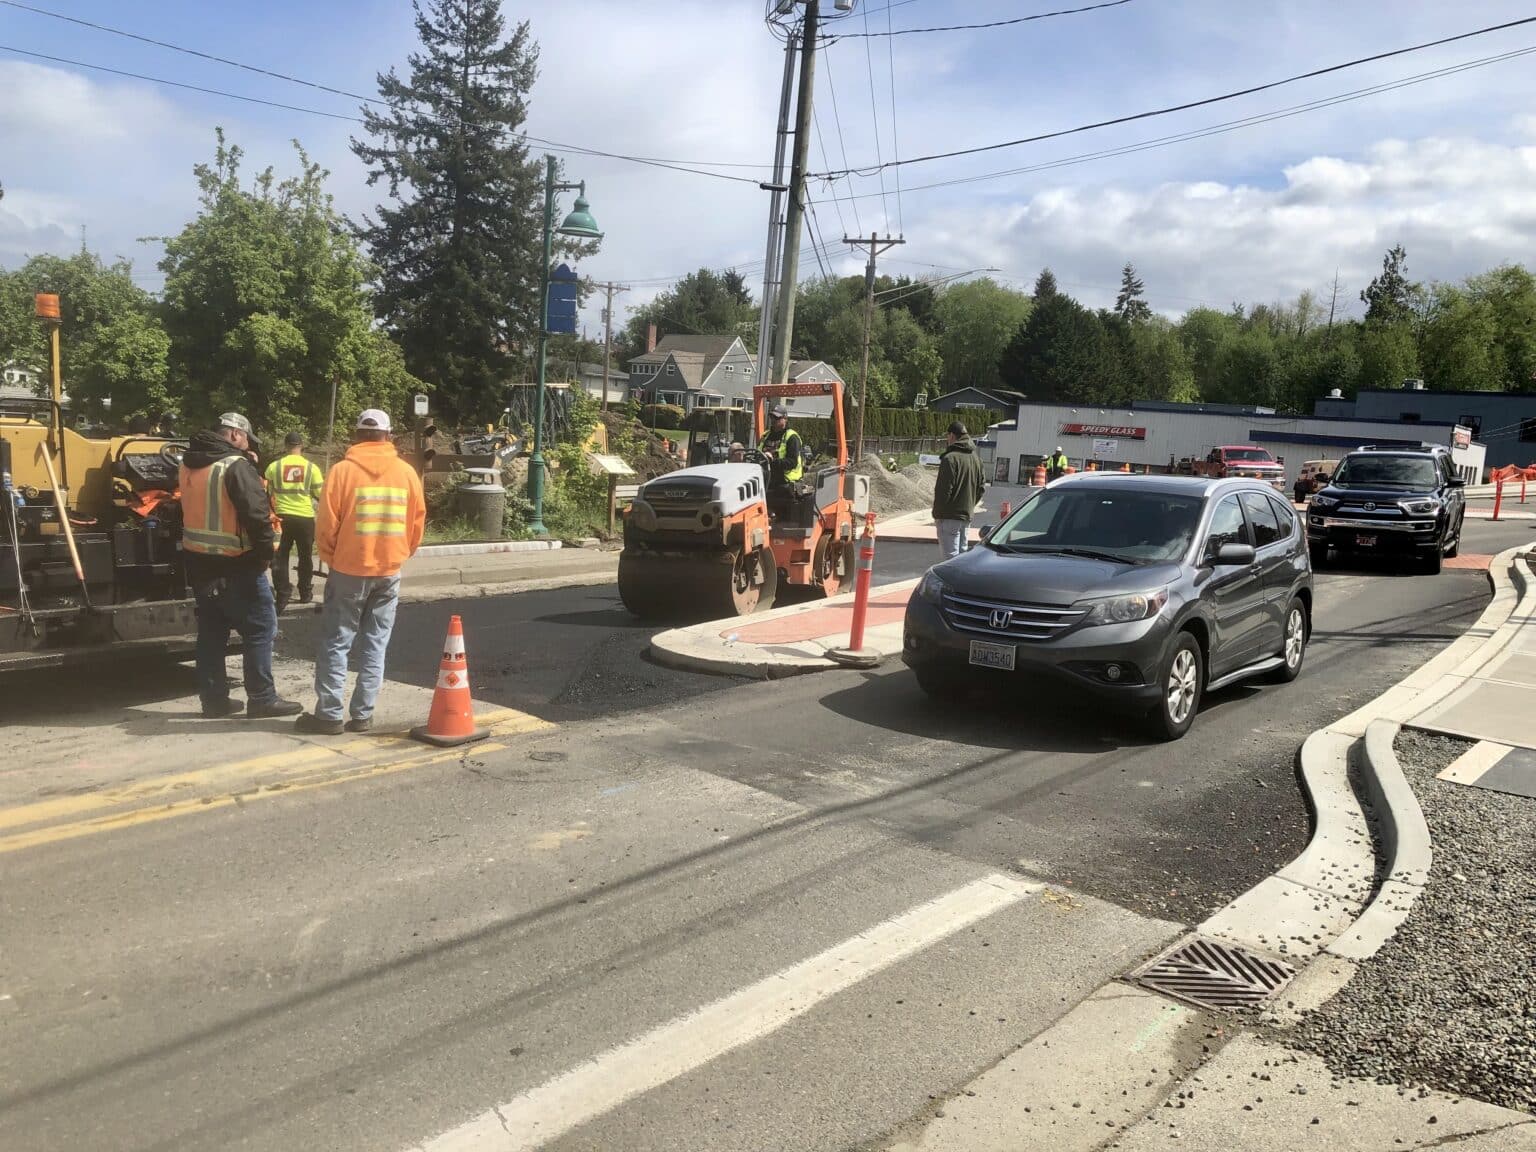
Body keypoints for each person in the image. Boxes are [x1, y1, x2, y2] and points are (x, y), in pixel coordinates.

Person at [297, 409, 425, 735]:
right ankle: (363, 715)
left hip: (349, 571)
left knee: (336, 643)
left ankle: (328, 715)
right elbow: (416, 523)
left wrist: (331, 557)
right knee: (375, 644)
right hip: (388, 571)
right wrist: (399, 556)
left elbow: (325, 525)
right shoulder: (407, 473)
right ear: (388, 436)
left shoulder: (341, 472)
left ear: (357, 436)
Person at [179, 412, 302, 719]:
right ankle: (262, 698)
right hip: (238, 565)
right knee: (261, 629)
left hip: (200, 563)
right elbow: (257, 516)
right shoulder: (234, 466)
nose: (246, 444)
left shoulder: (189, 463)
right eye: (246, 438)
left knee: (211, 634)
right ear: (235, 435)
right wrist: (265, 557)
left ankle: (214, 701)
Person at [265, 431, 324, 612]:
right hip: (305, 518)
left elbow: (267, 493)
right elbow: (320, 494)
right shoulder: (311, 468)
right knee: (305, 556)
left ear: (285, 446)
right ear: (301, 445)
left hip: (282, 518)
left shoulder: (274, 467)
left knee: (280, 557)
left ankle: (282, 594)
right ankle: (305, 592)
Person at [932, 420, 987, 561]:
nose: (947, 439)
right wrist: (969, 505)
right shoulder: (976, 459)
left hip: (949, 515)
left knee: (950, 559)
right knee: (961, 558)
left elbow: (944, 490)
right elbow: (981, 488)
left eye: (947, 436)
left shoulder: (950, 459)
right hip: (966, 515)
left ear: (952, 435)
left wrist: (937, 513)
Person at [759, 405, 803, 490]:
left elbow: (792, 462)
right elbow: (758, 453)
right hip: (766, 480)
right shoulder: (765, 435)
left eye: (777, 417)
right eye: (772, 417)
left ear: (785, 419)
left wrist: (772, 460)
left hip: (785, 483)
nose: (773, 420)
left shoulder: (792, 437)